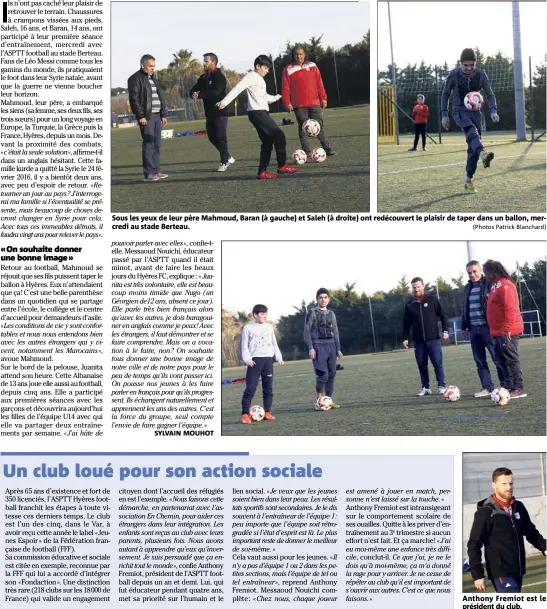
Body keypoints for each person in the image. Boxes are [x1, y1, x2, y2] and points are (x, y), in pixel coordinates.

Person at [216, 55, 298, 179]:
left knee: (267, 143)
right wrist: (224, 102)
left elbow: (265, 98)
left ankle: (262, 172)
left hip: (260, 113)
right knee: (279, 135)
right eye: (265, 68)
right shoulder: (250, 76)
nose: (267, 71)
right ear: (257, 66)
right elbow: (237, 89)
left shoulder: (259, 79)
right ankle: (282, 166)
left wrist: (278, 97)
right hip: (257, 113)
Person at [467, 467, 546, 593]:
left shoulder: (518, 507)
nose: (508, 487)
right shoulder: (486, 512)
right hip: (500, 572)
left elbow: (530, 531)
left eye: (511, 483)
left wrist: (544, 547)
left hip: (518, 569)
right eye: (504, 484)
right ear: (494, 485)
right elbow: (474, 543)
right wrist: (477, 575)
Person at [441, 48, 499, 194]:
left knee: (472, 147)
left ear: (475, 63)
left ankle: (468, 180)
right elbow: (445, 93)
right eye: (465, 65)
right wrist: (444, 114)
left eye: (471, 65)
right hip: (459, 110)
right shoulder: (454, 74)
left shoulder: (480, 74)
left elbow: (490, 94)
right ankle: (483, 154)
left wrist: (493, 110)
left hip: (475, 113)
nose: (468, 68)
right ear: (460, 63)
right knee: (471, 132)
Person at [282, 45, 336, 157]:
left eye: (301, 54)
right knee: (303, 127)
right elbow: (285, 87)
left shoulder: (313, 66)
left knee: (319, 125)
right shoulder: (288, 69)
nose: (299, 56)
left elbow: (319, 83)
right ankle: (306, 151)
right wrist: (287, 102)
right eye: (296, 54)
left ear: (305, 54)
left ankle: (327, 148)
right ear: (293, 55)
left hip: (315, 102)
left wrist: (324, 98)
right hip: (299, 105)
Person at [483, 259, 526, 399]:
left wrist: (507, 328)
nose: (487, 276)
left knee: (511, 359)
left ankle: (518, 387)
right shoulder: (494, 286)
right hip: (496, 331)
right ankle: (508, 386)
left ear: (494, 271)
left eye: (488, 272)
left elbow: (510, 308)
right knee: (500, 360)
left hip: (507, 331)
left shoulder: (506, 285)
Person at [461, 260, 505, 397]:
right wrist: (464, 327)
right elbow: (464, 309)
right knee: (479, 361)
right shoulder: (466, 288)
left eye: (475, 271)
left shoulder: (489, 284)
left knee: (497, 358)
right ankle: (487, 387)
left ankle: (504, 385)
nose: (472, 274)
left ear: (480, 271)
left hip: (488, 327)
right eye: (469, 272)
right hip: (474, 329)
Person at [402, 277, 449, 396]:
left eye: (418, 286)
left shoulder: (432, 299)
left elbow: (443, 316)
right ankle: (425, 387)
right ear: (412, 288)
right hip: (418, 341)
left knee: (437, 363)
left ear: (423, 286)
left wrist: (445, 330)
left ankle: (441, 386)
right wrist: (405, 337)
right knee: (422, 364)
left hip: (433, 339)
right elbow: (406, 323)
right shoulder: (409, 304)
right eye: (414, 287)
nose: (416, 289)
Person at [190, 53, 235, 172]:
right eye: (204, 61)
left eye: (206, 61)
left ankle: (224, 162)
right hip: (209, 113)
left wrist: (200, 94)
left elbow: (216, 92)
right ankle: (228, 156)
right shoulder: (203, 77)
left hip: (220, 111)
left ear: (213, 62)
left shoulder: (219, 76)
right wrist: (194, 93)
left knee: (221, 137)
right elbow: (193, 90)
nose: (203, 63)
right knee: (211, 137)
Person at [239, 304, 284, 424]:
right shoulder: (248, 328)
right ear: (255, 314)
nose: (265, 316)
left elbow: (274, 343)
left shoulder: (269, 327)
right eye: (262, 314)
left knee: (268, 388)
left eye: (266, 314)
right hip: (255, 361)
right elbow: (244, 346)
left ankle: (267, 411)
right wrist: (248, 360)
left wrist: (278, 356)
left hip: (268, 360)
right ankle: (244, 414)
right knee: (250, 388)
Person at [128, 54, 168, 182]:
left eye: (154, 66)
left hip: (157, 116)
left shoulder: (153, 78)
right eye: (150, 66)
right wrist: (141, 116)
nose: (153, 68)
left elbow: (159, 96)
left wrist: (163, 115)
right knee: (149, 144)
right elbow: (134, 99)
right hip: (147, 117)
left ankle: (156, 171)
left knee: (157, 144)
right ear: (142, 65)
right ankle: (149, 174)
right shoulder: (135, 79)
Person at [303, 288, 343, 409]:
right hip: (318, 346)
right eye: (321, 297)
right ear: (317, 299)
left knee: (332, 374)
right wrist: (311, 348)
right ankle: (318, 400)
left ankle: (328, 400)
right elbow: (306, 331)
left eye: (325, 297)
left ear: (329, 299)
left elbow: (336, 332)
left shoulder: (331, 314)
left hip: (331, 345)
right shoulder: (312, 312)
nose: (323, 300)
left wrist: (338, 348)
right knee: (323, 375)